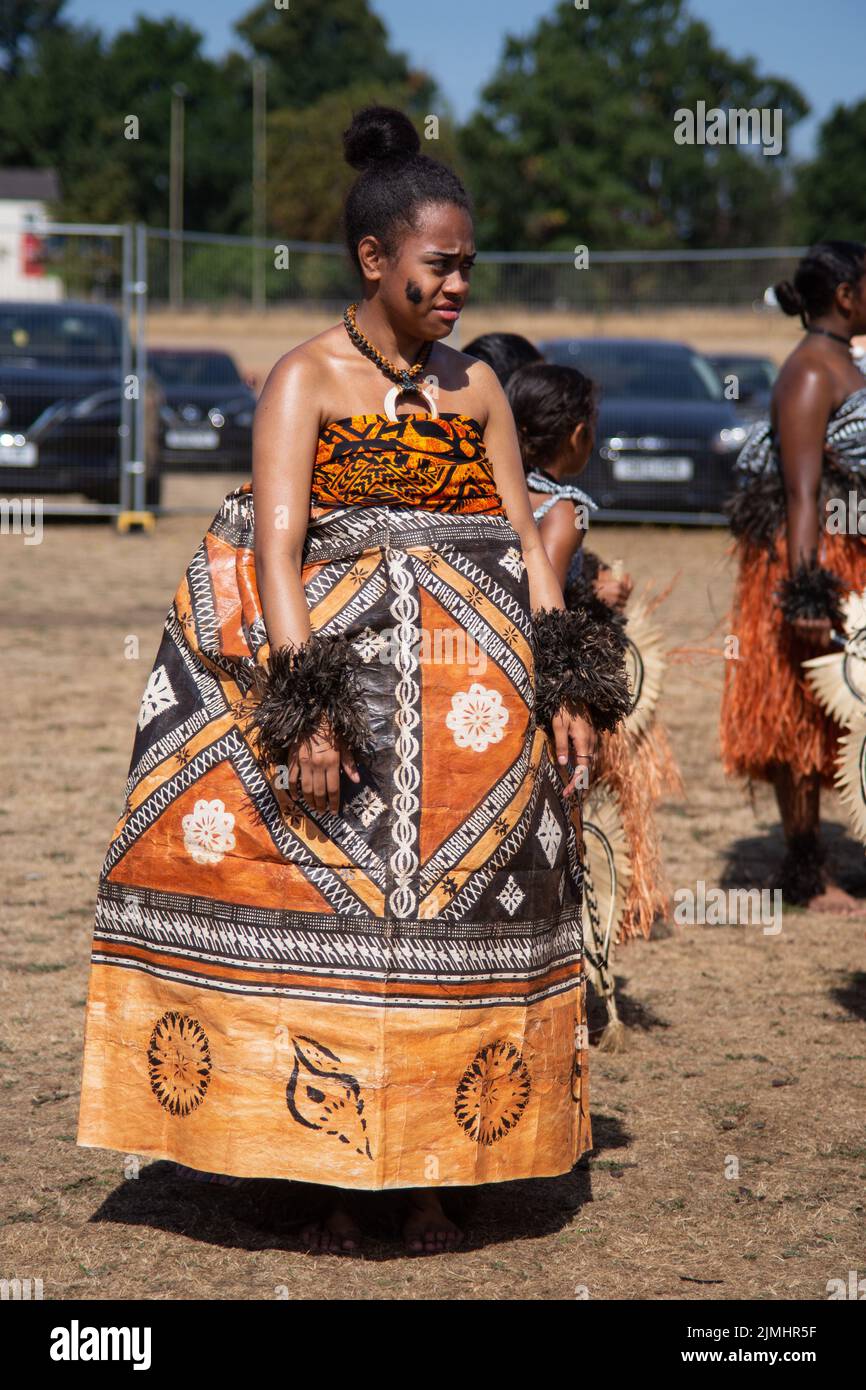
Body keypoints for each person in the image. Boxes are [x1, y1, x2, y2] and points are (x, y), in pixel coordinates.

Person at [76, 106, 631, 1255]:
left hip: (474, 732)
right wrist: (308, 711)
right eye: (438, 266)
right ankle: (328, 1176)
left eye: (469, 267)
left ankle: (438, 1169)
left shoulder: (477, 389)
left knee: (465, 926)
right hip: (353, 711)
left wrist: (569, 682)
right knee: (346, 928)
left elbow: (529, 552)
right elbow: (274, 555)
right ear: (373, 260)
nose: (457, 288)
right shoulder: (304, 380)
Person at [506, 361, 679, 948]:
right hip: (544, 685)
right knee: (562, 817)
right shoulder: (563, 509)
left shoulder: (488, 489)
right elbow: (542, 597)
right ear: (579, 435)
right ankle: (565, 953)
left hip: (491, 672)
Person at [722, 240, 866, 912]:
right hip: (810, 558)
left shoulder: (844, 361)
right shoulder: (811, 371)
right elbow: (803, 491)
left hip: (849, 555)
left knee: (844, 711)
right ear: (846, 295)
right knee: (800, 718)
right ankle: (808, 872)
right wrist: (808, 592)